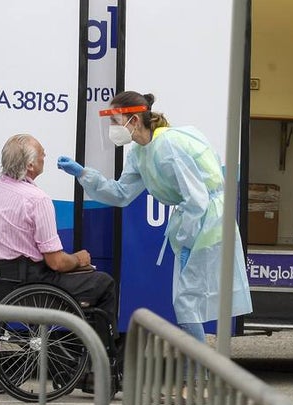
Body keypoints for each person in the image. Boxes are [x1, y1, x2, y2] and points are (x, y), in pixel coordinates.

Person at [56, 90, 252, 345]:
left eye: (115, 121)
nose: (112, 129)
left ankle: (197, 376)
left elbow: (197, 199)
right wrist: (83, 174)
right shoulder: (140, 153)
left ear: (134, 120)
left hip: (208, 223)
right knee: (187, 301)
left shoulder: (169, 146)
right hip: (197, 223)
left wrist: (188, 236)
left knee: (186, 301)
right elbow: (121, 194)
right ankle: (196, 374)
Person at [0, 133, 119, 332]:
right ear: (30, 166)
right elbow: (56, 263)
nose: (45, 156)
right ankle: (101, 351)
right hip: (32, 285)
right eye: (42, 154)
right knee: (103, 283)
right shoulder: (37, 199)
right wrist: (79, 259)